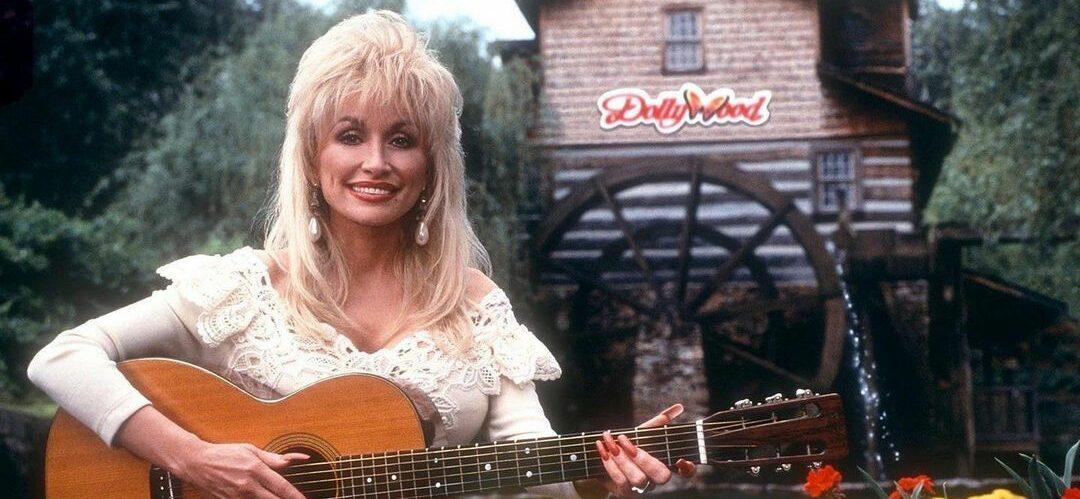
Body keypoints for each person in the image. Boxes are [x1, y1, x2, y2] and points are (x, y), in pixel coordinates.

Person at [26, 10, 695, 498]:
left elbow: (528, 457)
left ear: (432, 164)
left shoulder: (476, 304)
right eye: (350, 135)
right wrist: (195, 458)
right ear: (313, 158)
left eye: (401, 138)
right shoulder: (241, 289)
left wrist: (604, 474)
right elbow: (61, 358)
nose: (376, 162)